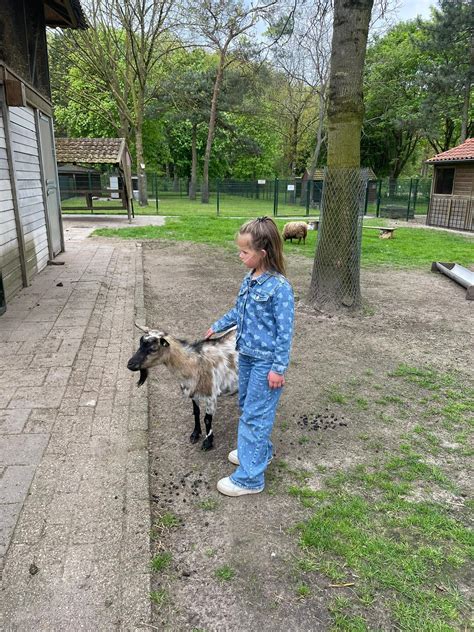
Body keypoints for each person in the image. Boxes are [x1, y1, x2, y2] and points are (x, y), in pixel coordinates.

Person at [205, 216, 294, 497]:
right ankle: (259, 452)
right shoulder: (249, 279)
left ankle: (249, 479)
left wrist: (278, 368)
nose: (240, 255)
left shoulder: (280, 288)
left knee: (255, 416)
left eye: (245, 251)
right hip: (246, 356)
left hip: (266, 362)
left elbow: (285, 333)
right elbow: (238, 312)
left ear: (262, 253)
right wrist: (217, 326)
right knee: (248, 407)